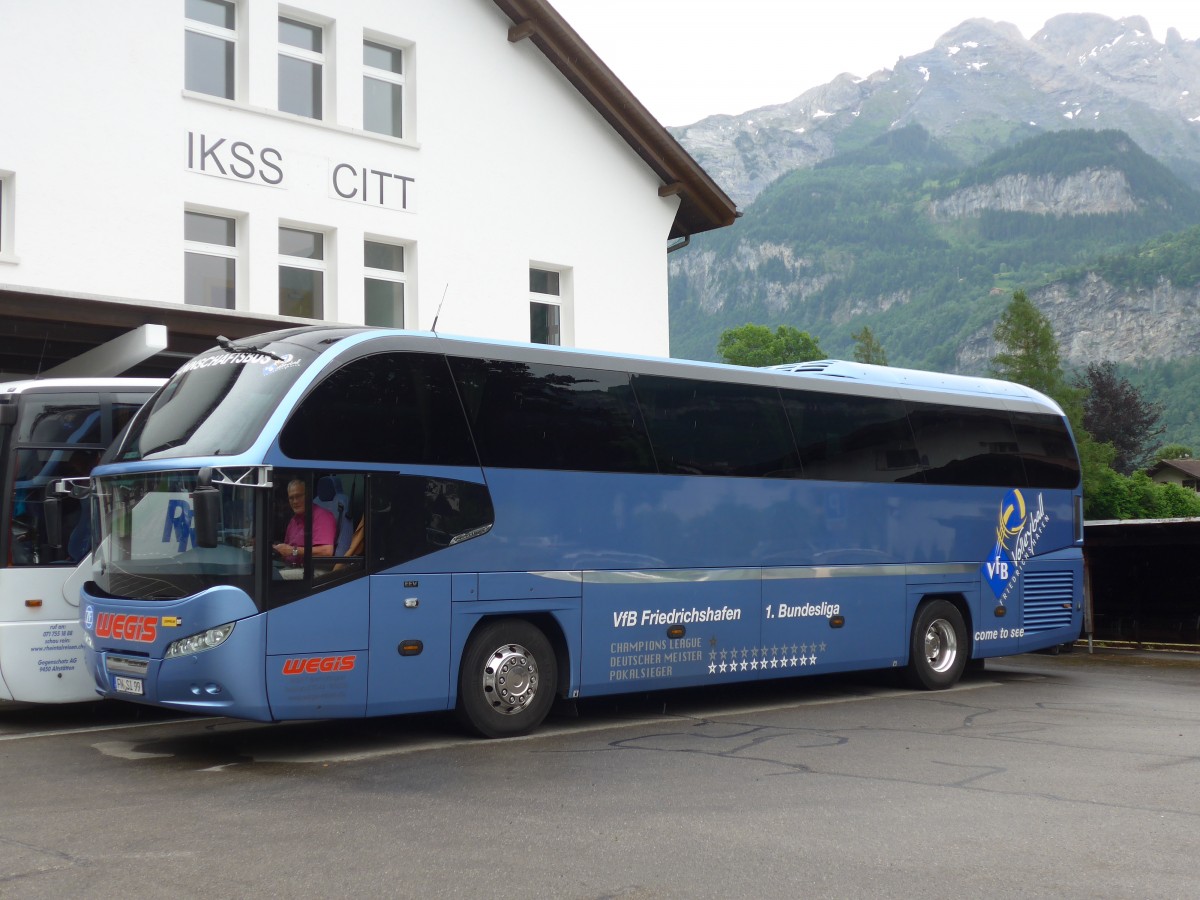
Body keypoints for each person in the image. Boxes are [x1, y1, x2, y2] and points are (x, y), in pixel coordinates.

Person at [273, 479, 336, 566]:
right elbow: (287, 550)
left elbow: (326, 552)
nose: (295, 501)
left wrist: (293, 550)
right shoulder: (293, 521)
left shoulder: (322, 516)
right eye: (291, 498)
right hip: (291, 566)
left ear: (308, 495)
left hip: (311, 572)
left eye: (298, 496)